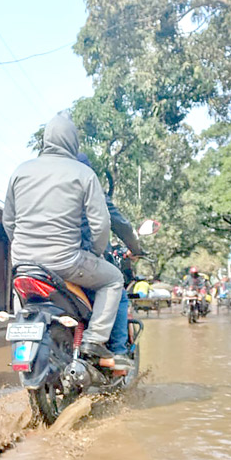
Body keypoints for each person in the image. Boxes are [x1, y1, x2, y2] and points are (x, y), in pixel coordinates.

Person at [3, 113, 122, 362]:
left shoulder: (20, 171)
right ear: (73, 141)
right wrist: (97, 253)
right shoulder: (84, 173)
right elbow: (101, 225)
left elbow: (9, 222)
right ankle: (94, 340)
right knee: (114, 280)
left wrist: (23, 247)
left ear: (46, 139)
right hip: (66, 263)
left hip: (24, 263)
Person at [77, 152, 144, 368]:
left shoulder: (51, 191)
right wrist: (136, 248)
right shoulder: (93, 191)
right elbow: (121, 225)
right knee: (118, 291)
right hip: (81, 261)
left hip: (41, 263)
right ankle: (118, 354)